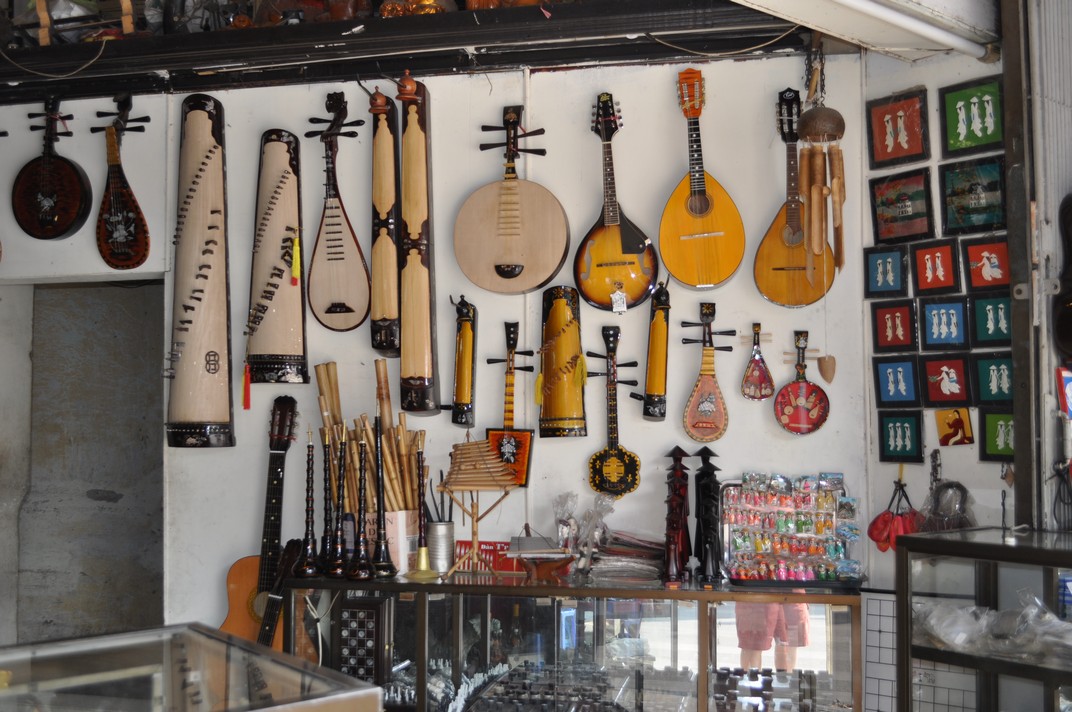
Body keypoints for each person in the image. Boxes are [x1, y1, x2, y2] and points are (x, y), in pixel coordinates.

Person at [735, 601, 810, 671]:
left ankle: (785, 679)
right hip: (758, 596)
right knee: (752, 647)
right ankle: (751, 679)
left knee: (787, 645)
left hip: (791, 597)